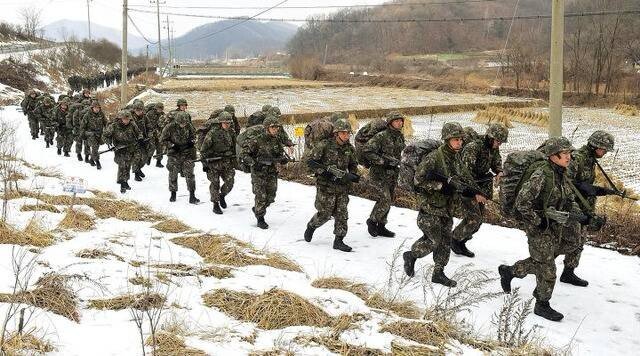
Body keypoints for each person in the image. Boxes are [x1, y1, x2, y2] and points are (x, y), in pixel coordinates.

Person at [498, 137, 598, 321]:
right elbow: (522, 203)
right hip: (538, 226)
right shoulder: (541, 176)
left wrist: (584, 217)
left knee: (569, 245)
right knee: (548, 269)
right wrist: (537, 221)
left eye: (569, 153)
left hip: (553, 223)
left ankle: (510, 271)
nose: (569, 157)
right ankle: (542, 305)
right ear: (553, 156)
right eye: (565, 154)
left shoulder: (561, 174)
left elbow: (568, 200)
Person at [402, 122, 484, 287]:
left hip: (447, 208)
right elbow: (418, 181)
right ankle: (411, 255)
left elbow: (464, 179)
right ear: (447, 139)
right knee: (434, 241)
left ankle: (438, 273)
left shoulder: (456, 157)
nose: (459, 142)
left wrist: (475, 192)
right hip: (431, 207)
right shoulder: (434, 158)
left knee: (446, 241)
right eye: (456, 139)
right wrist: (440, 186)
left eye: (461, 139)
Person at [564, 130, 616, 286]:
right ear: (595, 146)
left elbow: (584, 184)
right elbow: (567, 183)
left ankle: (568, 273)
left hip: (584, 209)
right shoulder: (577, 158)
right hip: (572, 208)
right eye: (604, 149)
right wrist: (591, 190)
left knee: (579, 242)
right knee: (564, 242)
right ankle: (534, 267)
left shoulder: (590, 159)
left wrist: (600, 190)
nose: (605, 152)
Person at [451, 123, 508, 257]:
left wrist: (499, 171)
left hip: (480, 186)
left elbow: (496, 161)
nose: (499, 145)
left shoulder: (492, 147)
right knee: (474, 219)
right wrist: (475, 193)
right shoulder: (473, 147)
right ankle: (454, 239)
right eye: (498, 141)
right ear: (490, 137)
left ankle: (460, 240)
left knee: (478, 220)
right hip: (467, 188)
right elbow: (464, 174)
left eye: (501, 142)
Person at [304, 119, 359, 252]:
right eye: (344, 133)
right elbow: (310, 163)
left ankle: (339, 240)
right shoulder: (324, 145)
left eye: (348, 133)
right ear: (336, 133)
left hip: (342, 186)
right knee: (324, 214)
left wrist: (351, 175)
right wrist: (325, 173)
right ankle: (311, 226)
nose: (346, 136)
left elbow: (353, 164)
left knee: (342, 214)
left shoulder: (349, 149)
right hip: (325, 186)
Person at [361, 111, 406, 238]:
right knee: (385, 199)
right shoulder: (381, 136)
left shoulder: (399, 136)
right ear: (391, 122)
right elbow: (367, 150)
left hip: (393, 173)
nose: (400, 123)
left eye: (401, 120)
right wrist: (382, 161)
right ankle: (372, 221)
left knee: (389, 199)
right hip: (379, 174)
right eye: (397, 120)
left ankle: (381, 226)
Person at [241, 116, 289, 229]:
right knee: (261, 196)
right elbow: (244, 154)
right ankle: (260, 218)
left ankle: (257, 208)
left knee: (271, 196)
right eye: (273, 127)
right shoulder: (256, 140)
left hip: (271, 172)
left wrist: (282, 159)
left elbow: (278, 154)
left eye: (277, 127)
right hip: (258, 173)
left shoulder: (276, 140)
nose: (276, 129)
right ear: (267, 128)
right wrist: (253, 163)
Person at [200, 112, 236, 214]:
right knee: (215, 183)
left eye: (229, 123)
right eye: (225, 123)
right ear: (220, 122)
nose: (227, 125)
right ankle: (215, 204)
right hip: (213, 163)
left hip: (226, 162)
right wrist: (205, 164)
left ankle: (222, 195)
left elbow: (234, 147)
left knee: (230, 182)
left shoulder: (231, 132)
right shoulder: (212, 133)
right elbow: (203, 150)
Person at [161, 111, 199, 204]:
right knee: (173, 174)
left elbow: (194, 136)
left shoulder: (189, 126)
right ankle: (173, 193)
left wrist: (191, 142)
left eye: (185, 123)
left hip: (186, 154)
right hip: (174, 154)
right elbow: (162, 140)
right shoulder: (169, 127)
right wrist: (172, 145)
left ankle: (192, 195)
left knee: (190, 174)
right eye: (181, 123)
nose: (183, 125)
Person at [102, 110, 142, 193]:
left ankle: (126, 181)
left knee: (128, 165)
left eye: (128, 119)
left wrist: (140, 138)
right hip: (119, 149)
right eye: (125, 119)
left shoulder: (132, 124)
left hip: (131, 148)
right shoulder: (114, 126)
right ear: (120, 119)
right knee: (122, 165)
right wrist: (110, 144)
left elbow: (139, 133)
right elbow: (105, 136)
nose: (126, 121)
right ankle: (122, 184)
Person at [79, 100, 108, 169]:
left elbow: (106, 123)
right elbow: (83, 126)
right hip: (90, 133)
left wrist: (107, 130)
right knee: (94, 147)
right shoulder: (87, 115)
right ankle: (97, 162)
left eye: (98, 108)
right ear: (92, 108)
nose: (97, 109)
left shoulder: (101, 114)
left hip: (99, 133)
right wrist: (82, 135)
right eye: (95, 108)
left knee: (96, 147)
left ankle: (91, 159)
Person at [129, 101, 149, 181]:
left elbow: (149, 126)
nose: (139, 112)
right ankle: (136, 173)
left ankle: (139, 168)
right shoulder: (130, 118)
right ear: (134, 110)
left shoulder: (144, 117)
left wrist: (149, 135)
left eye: (140, 110)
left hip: (143, 139)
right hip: (133, 140)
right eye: (137, 110)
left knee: (145, 157)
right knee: (136, 157)